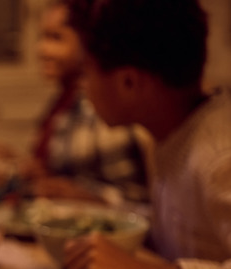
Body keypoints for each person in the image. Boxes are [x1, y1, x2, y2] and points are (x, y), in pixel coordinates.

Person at [61, 0, 231, 269]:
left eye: (86, 72)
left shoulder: (222, 159)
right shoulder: (173, 131)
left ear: (129, 83)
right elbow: (187, 229)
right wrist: (103, 206)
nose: (83, 87)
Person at [26, 0, 149, 205]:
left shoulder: (103, 103)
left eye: (56, 38)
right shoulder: (66, 98)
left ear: (86, 42)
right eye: (42, 37)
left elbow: (136, 199)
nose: (42, 49)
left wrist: (83, 196)